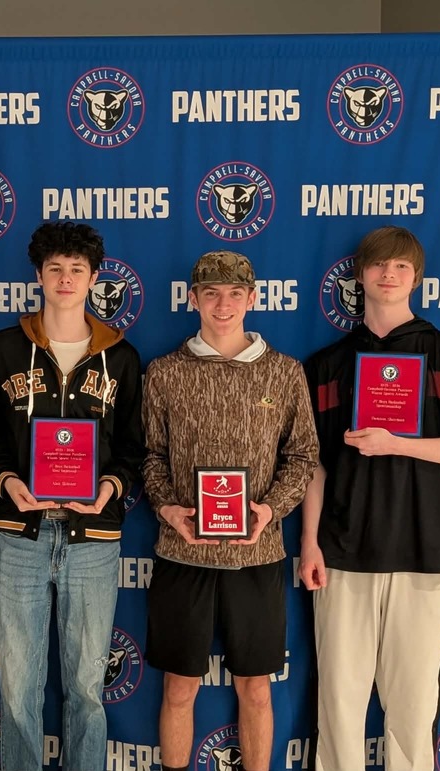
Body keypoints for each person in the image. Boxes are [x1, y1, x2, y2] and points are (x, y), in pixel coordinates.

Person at [299, 226, 440, 771]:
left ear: (417, 277)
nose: (389, 274)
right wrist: (310, 542)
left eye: (401, 266)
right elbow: (313, 465)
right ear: (360, 274)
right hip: (343, 551)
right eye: (379, 264)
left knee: (413, 707)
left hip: (424, 549)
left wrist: (397, 444)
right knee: (338, 703)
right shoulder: (327, 364)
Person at [0, 221, 144, 771]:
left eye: (76, 269)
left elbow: (134, 448)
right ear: (38, 275)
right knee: (18, 686)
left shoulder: (121, 357)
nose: (65, 279)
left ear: (94, 279)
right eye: (55, 269)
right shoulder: (4, 350)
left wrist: (110, 488)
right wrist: (7, 483)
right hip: (19, 533)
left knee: (87, 689)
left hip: (93, 536)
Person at [142, 251, 318, 771]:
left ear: (252, 298)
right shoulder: (165, 372)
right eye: (211, 293)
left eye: (235, 293)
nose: (223, 304)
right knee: (178, 689)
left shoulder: (284, 372)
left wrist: (270, 510)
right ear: (193, 299)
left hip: (257, 556)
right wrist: (168, 508)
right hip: (183, 554)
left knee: (256, 690)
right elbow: (150, 456)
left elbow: (303, 456)